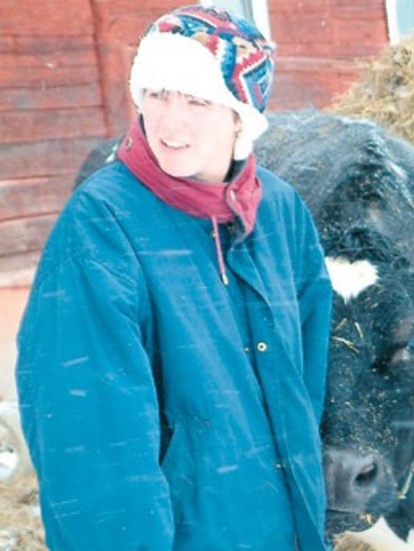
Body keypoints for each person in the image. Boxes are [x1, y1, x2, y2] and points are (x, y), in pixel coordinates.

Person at [15, 5, 333, 549]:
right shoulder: (102, 225)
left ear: (241, 114)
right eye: (157, 95)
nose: (169, 123)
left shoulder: (279, 212)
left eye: (197, 101)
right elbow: (90, 443)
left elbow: (307, 384)